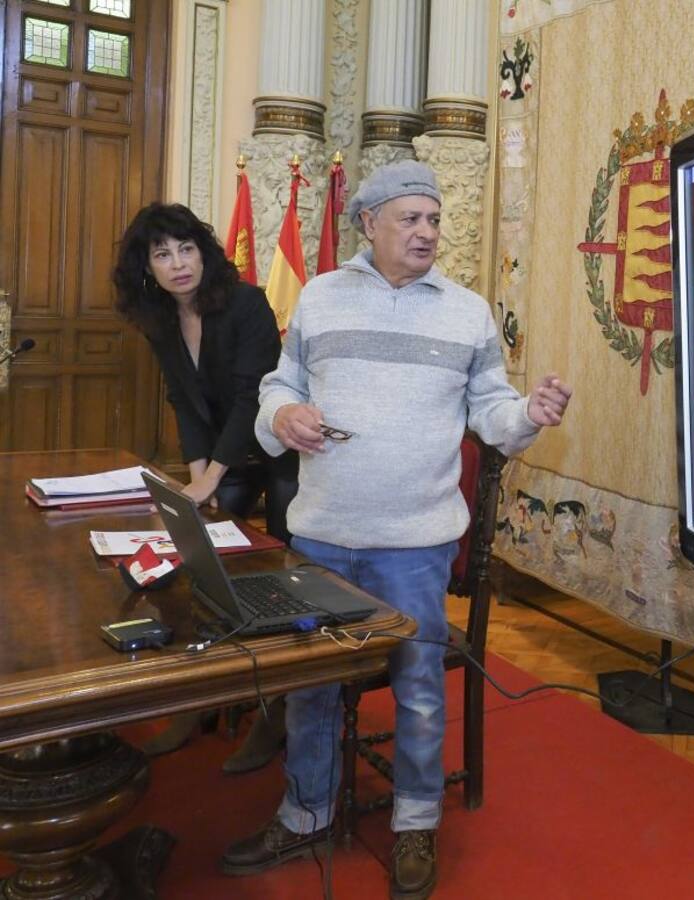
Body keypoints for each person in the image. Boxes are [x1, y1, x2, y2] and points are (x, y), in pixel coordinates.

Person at [220, 161, 572, 899]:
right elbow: (280, 386)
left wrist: (529, 418)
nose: (426, 232)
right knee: (310, 687)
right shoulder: (319, 296)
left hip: (415, 543)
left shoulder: (466, 311)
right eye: (410, 219)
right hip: (320, 535)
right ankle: (307, 811)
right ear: (368, 225)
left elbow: (494, 414)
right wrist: (282, 415)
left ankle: (416, 822)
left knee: (416, 690)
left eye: (434, 220)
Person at [113, 202, 297, 768]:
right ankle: (199, 698)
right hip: (220, 455)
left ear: (204, 251)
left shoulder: (245, 302)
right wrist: (198, 481)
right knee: (194, 569)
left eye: (186, 248)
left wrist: (211, 477)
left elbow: (251, 398)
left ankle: (276, 714)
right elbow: (184, 401)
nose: (178, 264)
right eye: (162, 254)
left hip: (278, 452)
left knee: (281, 578)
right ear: (147, 269)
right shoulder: (159, 317)